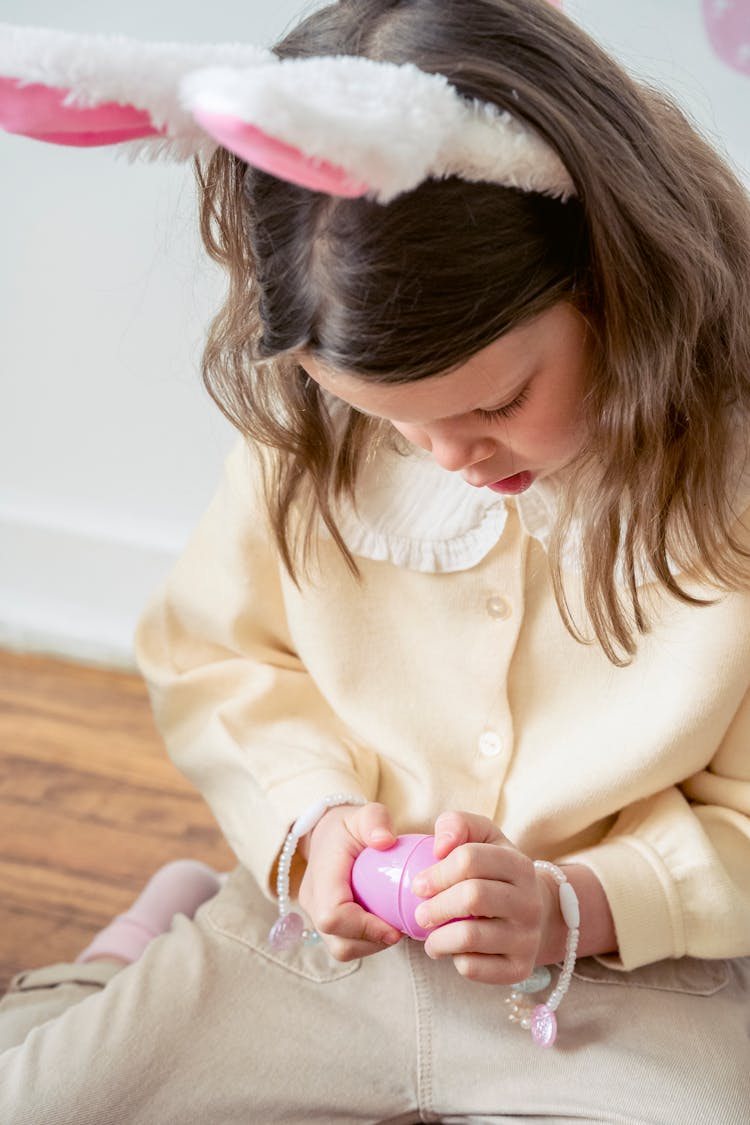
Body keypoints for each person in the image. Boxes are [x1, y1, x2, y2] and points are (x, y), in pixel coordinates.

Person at [1, 0, 750, 1120]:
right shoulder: (310, 439)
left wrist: (573, 905)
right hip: (320, 946)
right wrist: (310, 826)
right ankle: (121, 960)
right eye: (396, 423)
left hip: (627, 986)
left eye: (499, 400)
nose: (449, 456)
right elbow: (218, 657)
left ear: (613, 276)